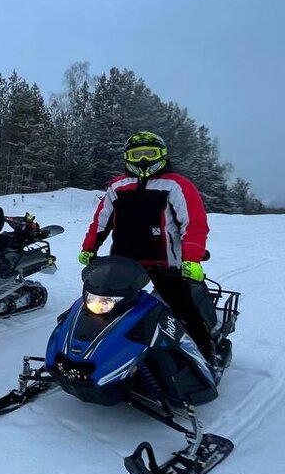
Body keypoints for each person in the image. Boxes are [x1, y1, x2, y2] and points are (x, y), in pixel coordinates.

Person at [79, 131, 219, 363]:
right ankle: (103, 354)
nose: (143, 159)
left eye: (149, 153)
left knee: (183, 309)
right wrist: (89, 247)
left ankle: (205, 354)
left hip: (167, 263)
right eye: (136, 154)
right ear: (127, 157)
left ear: (161, 155)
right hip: (124, 262)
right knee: (105, 309)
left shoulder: (177, 184)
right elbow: (101, 220)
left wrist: (191, 259)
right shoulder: (118, 185)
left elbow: (194, 223)